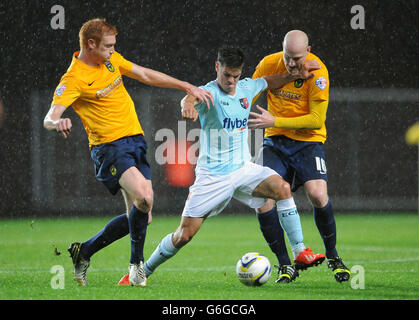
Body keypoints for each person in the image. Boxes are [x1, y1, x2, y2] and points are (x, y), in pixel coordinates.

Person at [43, 18, 213, 287]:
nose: (112, 50)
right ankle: (137, 266)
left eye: (114, 46)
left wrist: (187, 86)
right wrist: (57, 123)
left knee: (143, 215)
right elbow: (50, 117)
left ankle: (84, 251)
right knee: (145, 197)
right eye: (108, 45)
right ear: (90, 44)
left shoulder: (111, 61)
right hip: (108, 148)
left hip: (135, 141)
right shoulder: (73, 79)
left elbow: (145, 74)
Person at [134, 46, 325, 285]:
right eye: (226, 75)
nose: (231, 81)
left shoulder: (246, 87)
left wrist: (294, 75)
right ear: (217, 67)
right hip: (212, 177)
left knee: (283, 189)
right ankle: (142, 271)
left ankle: (299, 253)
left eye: (235, 75)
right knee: (184, 235)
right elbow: (190, 96)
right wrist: (187, 104)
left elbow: (267, 81)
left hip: (243, 170)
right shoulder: (208, 93)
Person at [248, 30, 351, 282]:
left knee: (317, 194)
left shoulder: (319, 72)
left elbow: (317, 120)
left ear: (308, 50)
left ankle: (333, 256)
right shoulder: (268, 64)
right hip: (275, 141)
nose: (291, 63)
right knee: (263, 200)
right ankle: (286, 265)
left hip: (308, 142)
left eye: (296, 58)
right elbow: (247, 93)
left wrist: (275, 119)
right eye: (287, 57)